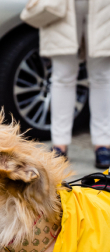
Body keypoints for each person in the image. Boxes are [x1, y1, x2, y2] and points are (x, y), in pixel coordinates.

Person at [38, 0, 110, 168]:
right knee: (62, 77)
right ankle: (59, 143)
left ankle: (103, 142)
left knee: (102, 77)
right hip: (61, 6)